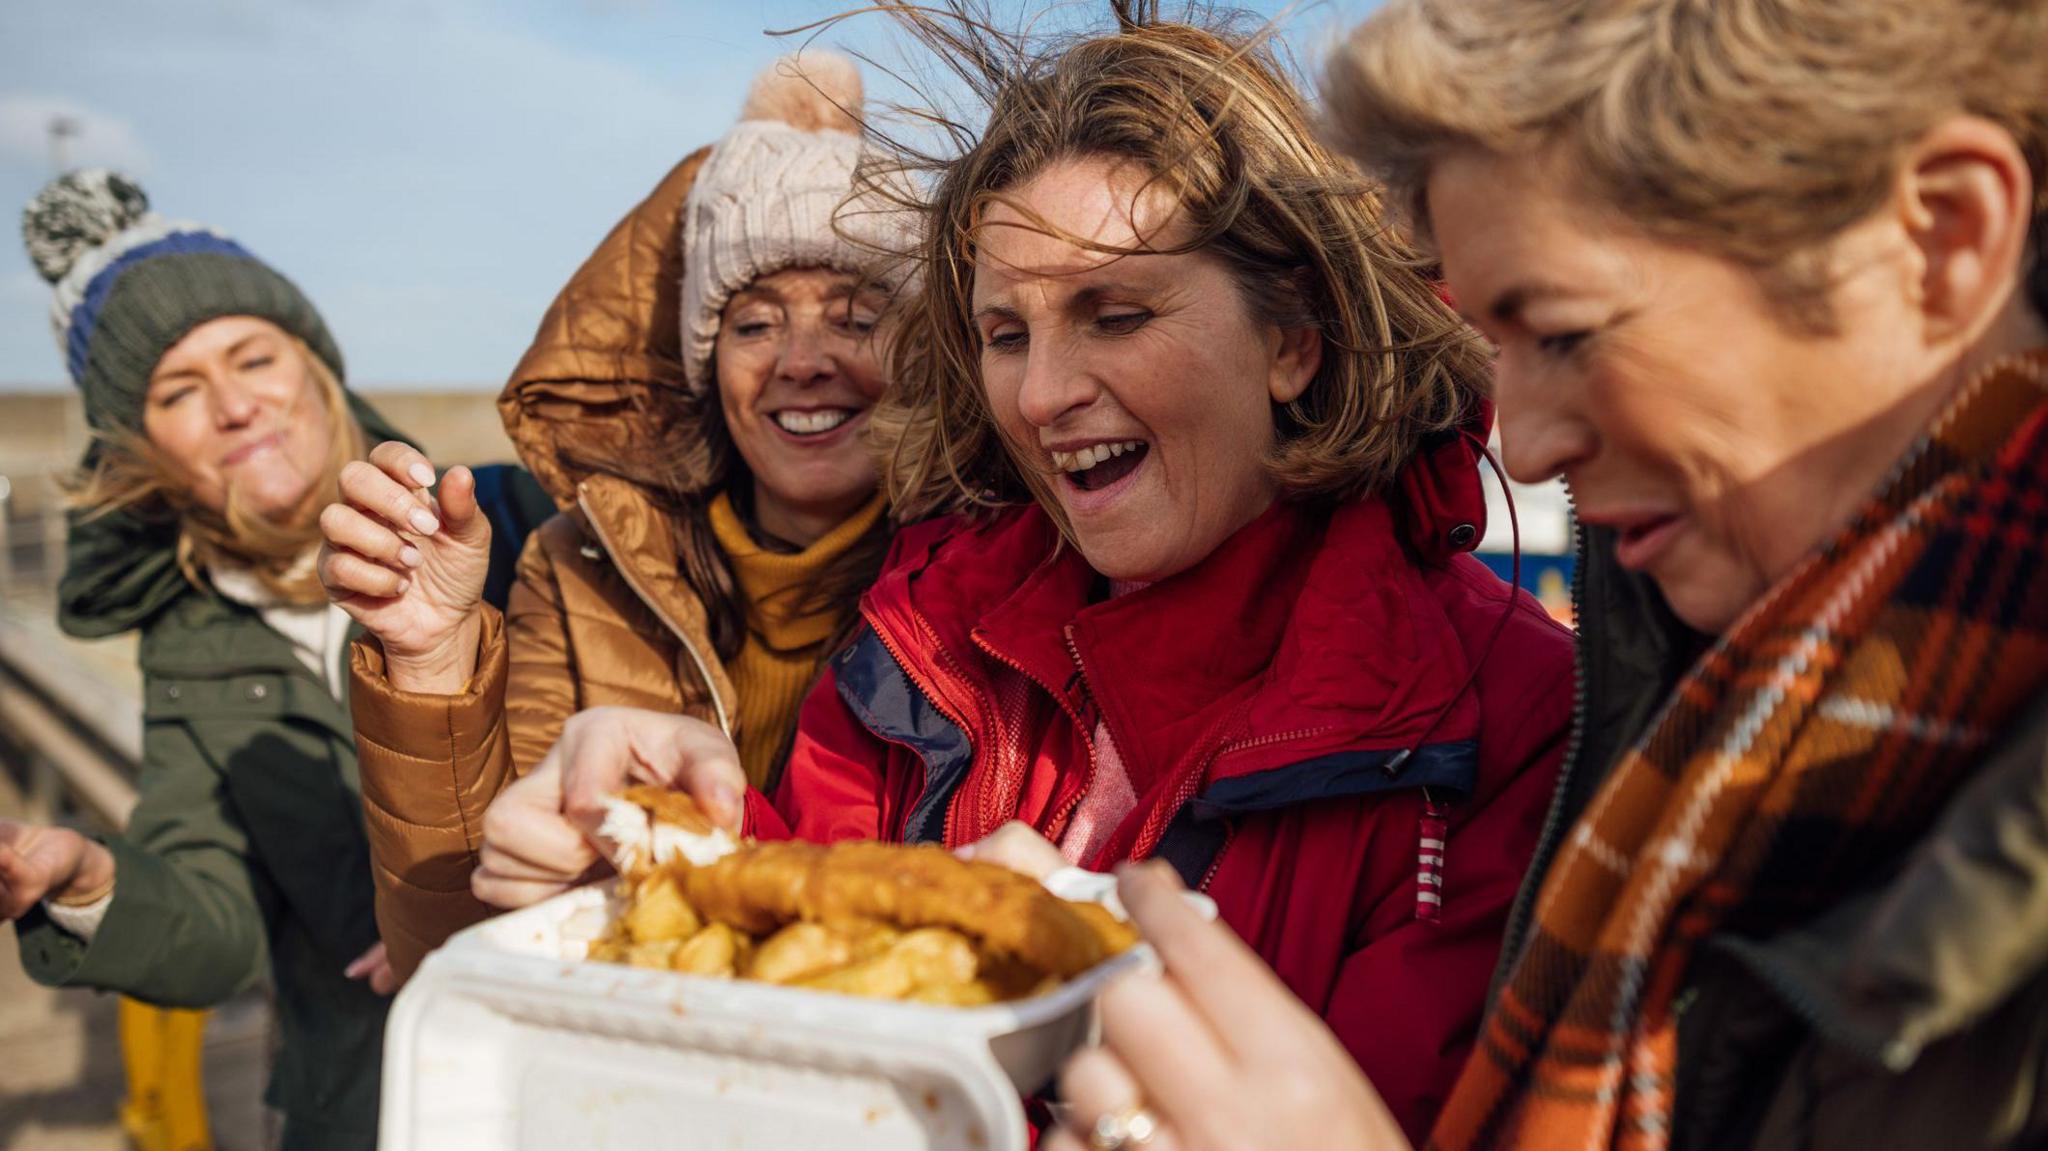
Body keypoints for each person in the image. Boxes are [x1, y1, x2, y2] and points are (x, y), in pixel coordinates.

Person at [474, 6, 1576, 1140]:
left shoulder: (1506, 718)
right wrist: (658, 858)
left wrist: (1070, 985)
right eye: (1006, 333)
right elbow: (790, 985)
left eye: (1115, 312)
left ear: (1292, 338)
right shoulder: (925, 633)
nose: (1043, 394)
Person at [1041, 1, 2048, 1148]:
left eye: (1564, 332)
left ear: (1940, 240)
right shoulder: (1712, 705)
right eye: (1496, 343)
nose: (1521, 444)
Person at [316, 52, 910, 982]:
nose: (803, 359)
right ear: (704, 363)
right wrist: (430, 662)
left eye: (857, 315)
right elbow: (467, 937)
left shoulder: (990, 585)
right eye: (753, 323)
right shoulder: (577, 568)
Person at [0, 170, 437, 1151]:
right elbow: (218, 920)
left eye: (253, 356)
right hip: (366, 1102)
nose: (236, 405)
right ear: (144, 447)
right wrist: (93, 882)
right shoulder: (187, 646)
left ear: (315, 365)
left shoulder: (501, 524)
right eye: (177, 391)